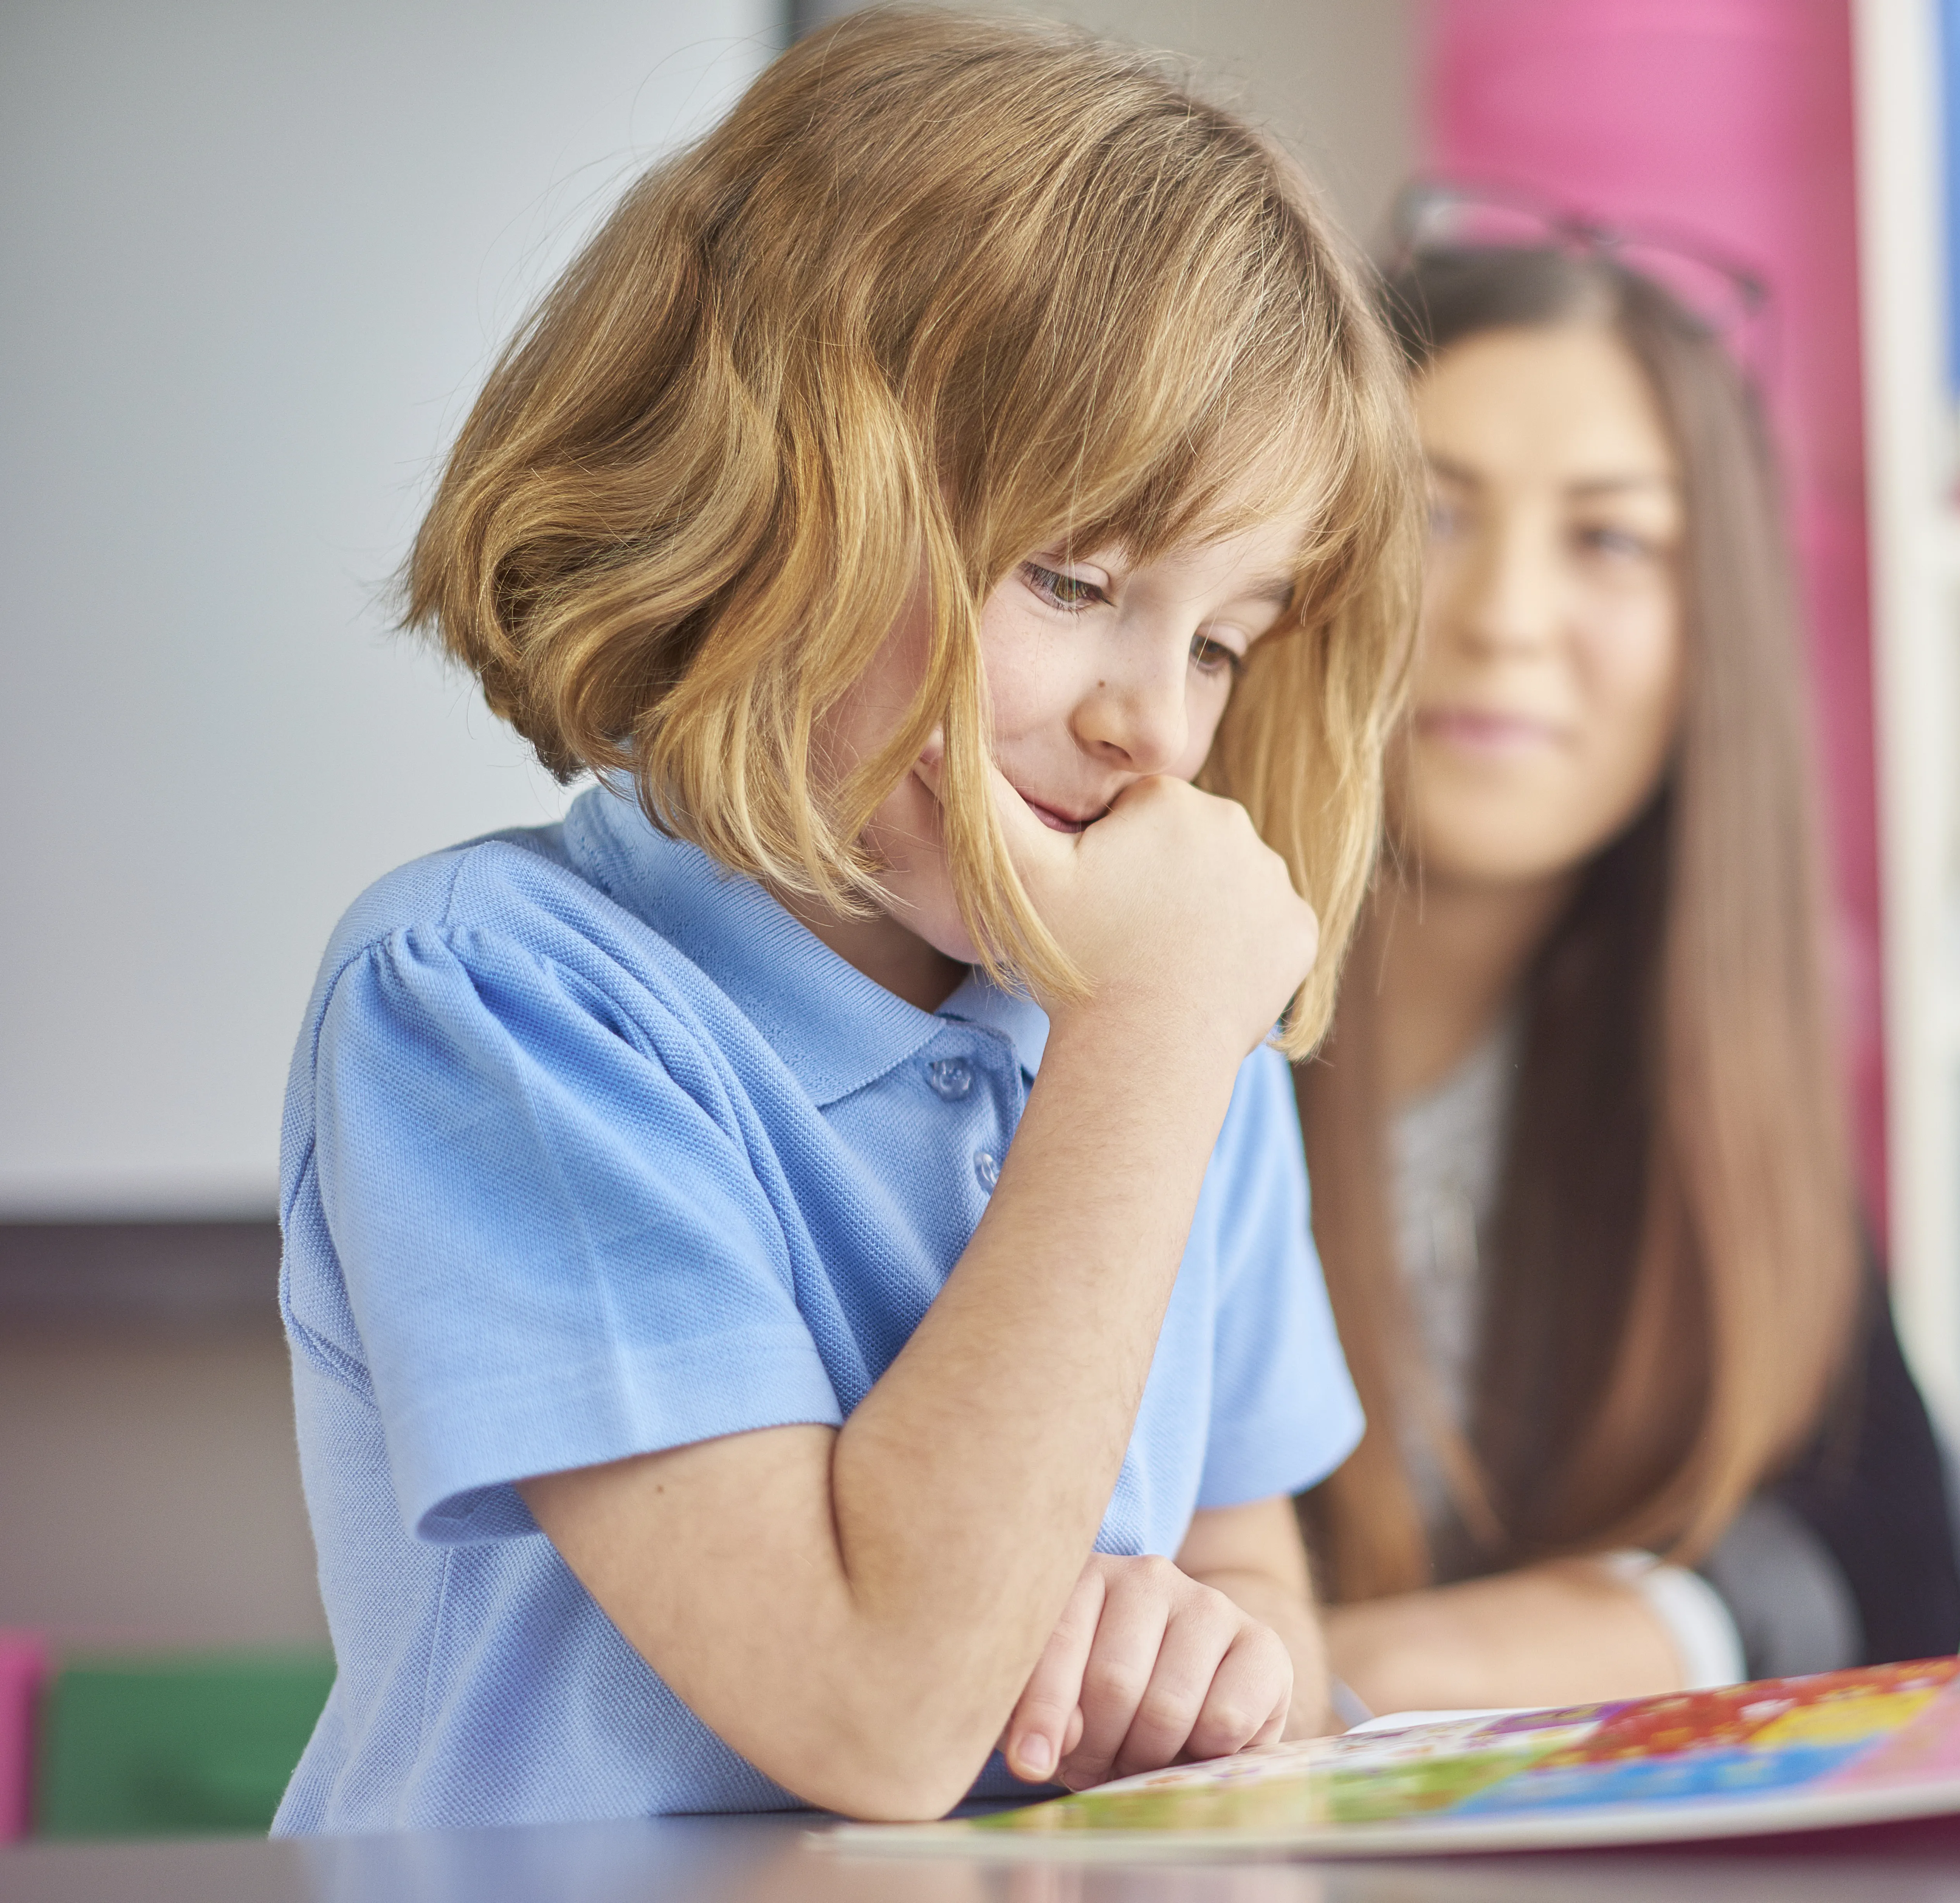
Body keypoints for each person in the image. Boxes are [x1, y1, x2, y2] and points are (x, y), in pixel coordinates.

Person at [272, 11, 1417, 1832]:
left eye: (1219, 639)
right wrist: (1141, 1048)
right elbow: (871, 1712)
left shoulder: (1155, 1020)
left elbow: (1254, 1574)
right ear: (763, 499)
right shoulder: (492, 1000)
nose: (1158, 725)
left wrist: (1215, 1661)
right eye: (1074, 578)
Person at [1300, 210, 1960, 1715]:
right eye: (1432, 513)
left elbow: (1907, 1575)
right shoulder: (1104, 1014)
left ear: (1706, 631)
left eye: (1608, 540)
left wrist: (1604, 1631)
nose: (1503, 622)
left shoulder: (1696, 1060)